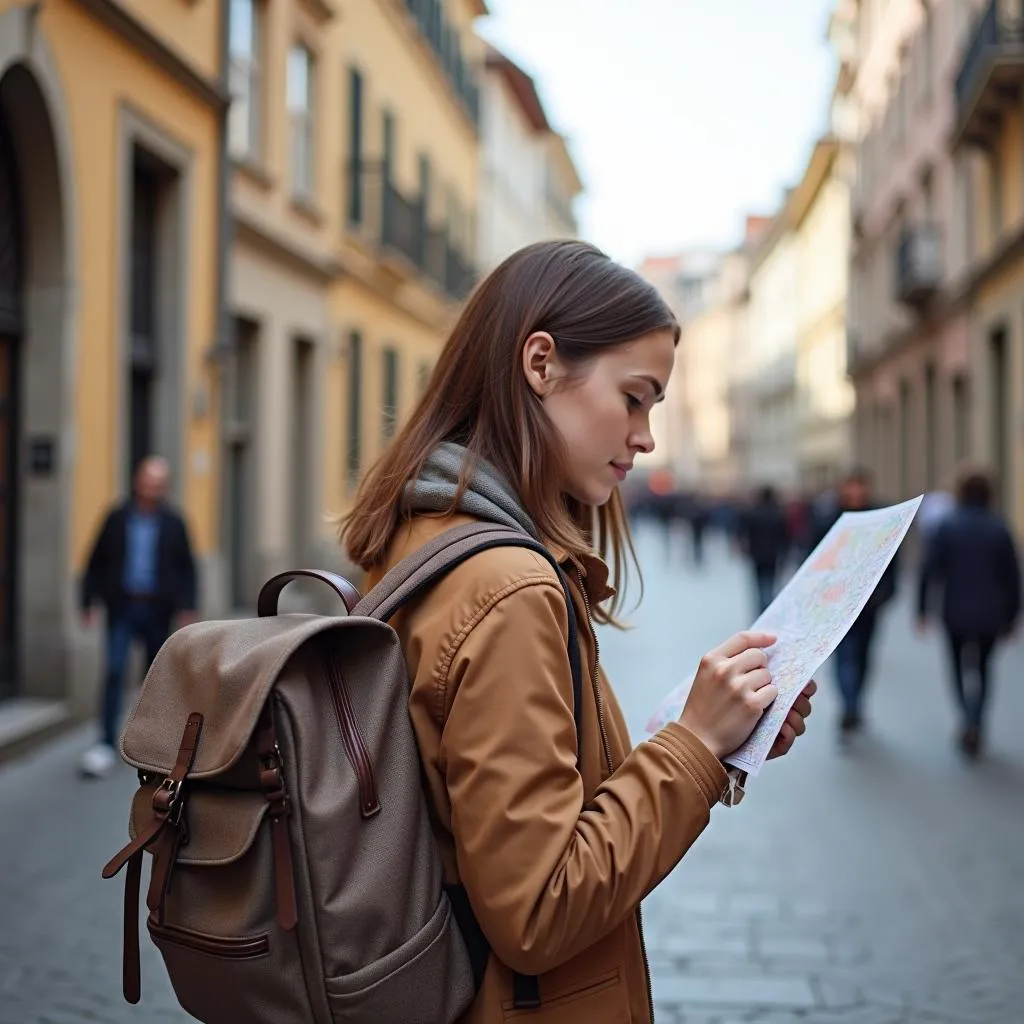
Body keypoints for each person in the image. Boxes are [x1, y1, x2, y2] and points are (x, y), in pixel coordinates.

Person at [342, 241, 816, 1024]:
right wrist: (693, 744)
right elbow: (539, 908)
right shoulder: (509, 589)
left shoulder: (428, 531)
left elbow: (506, 813)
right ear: (540, 364)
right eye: (634, 398)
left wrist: (718, 739)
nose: (646, 437)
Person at [79, 456, 198, 777]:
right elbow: (95, 559)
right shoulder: (117, 518)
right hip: (122, 607)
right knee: (115, 670)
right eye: (149, 480)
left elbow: (187, 567)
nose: (153, 487)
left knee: (155, 678)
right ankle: (105, 741)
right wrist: (86, 602)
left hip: (158, 609)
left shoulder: (174, 522)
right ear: (138, 481)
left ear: (164, 487)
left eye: (159, 482)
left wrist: (188, 607)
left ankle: (151, 742)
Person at [917, 468, 1021, 759]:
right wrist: (1013, 617)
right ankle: (976, 719)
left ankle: (966, 716)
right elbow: (1013, 577)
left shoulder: (947, 525)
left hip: (955, 611)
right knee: (984, 668)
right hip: (992, 613)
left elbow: (930, 571)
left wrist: (923, 609)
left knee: (957, 667)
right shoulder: (999, 527)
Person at [809, 465, 897, 741]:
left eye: (860, 485)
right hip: (837, 604)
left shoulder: (880, 517)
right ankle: (849, 706)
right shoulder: (829, 519)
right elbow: (814, 558)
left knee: (864, 656)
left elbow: (892, 559)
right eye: (851, 485)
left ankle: (856, 702)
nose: (855, 491)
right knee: (844, 655)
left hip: (870, 604)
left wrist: (886, 593)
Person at [737, 485, 792, 615]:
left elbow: (745, 534)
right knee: (771, 583)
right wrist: (784, 554)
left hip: (756, 554)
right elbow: (785, 537)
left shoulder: (753, 513)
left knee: (758, 584)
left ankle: (761, 610)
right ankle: (769, 609)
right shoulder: (779, 514)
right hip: (773, 554)